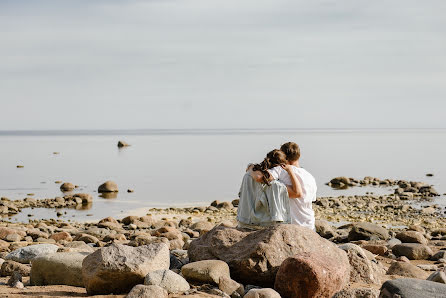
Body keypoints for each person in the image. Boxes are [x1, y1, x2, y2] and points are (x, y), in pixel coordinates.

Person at [251, 142, 317, 230]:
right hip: (310, 225)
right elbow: (311, 200)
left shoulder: (282, 170)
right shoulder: (310, 177)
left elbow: (259, 178)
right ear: (299, 156)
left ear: (283, 156)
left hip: (292, 225)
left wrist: (250, 167)